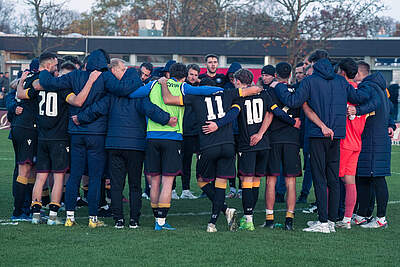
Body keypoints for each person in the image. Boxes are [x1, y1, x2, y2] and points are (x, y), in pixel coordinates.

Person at [38, 49, 142, 228]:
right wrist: (137, 80)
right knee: (95, 177)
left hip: (76, 134)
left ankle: (70, 216)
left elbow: (51, 83)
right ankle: (93, 218)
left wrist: (44, 71)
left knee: (75, 176)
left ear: (86, 63)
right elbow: (121, 90)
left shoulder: (74, 75)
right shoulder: (106, 77)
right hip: (97, 134)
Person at [271, 50, 372, 233]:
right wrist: (370, 86)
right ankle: (332, 221)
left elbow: (293, 101)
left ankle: (323, 222)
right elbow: (359, 98)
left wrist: (278, 86)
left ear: (314, 66)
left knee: (320, 178)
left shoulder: (310, 81)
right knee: (333, 178)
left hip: (318, 135)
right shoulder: (341, 81)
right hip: (337, 135)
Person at [73, 58, 173, 229]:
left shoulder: (111, 96)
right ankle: (134, 220)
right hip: (135, 146)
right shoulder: (139, 94)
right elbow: (151, 110)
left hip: (114, 144)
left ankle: (118, 219)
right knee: (135, 184)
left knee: (117, 185)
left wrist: (80, 118)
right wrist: (167, 119)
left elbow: (97, 108)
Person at [128, 63, 224, 231]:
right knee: (167, 181)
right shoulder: (183, 87)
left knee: (155, 181)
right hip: (172, 137)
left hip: (151, 136)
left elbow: (133, 94)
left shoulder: (154, 84)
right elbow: (203, 91)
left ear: (169, 73)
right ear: (185, 76)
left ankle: (156, 219)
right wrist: (224, 91)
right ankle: (161, 222)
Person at [17, 53, 101, 225]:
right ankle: (53, 216)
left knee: (41, 177)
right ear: (50, 67)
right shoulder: (63, 88)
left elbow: (21, 94)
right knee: (58, 177)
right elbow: (77, 101)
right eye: (56, 65)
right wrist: (90, 82)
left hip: (42, 138)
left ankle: (35, 215)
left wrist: (21, 80)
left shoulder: (38, 85)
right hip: (60, 139)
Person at [351, 61, 396, 229]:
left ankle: (381, 219)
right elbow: (388, 109)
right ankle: (363, 214)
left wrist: (357, 110)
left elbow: (374, 104)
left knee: (377, 178)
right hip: (373, 138)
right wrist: (390, 124)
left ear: (358, 73)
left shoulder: (369, 87)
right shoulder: (380, 88)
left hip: (373, 140)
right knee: (364, 178)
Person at [263, 62, 302, 230]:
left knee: (271, 181)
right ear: (290, 74)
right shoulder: (298, 92)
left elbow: (270, 113)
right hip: (293, 140)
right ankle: (289, 220)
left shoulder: (271, 91)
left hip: (274, 139)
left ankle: (270, 219)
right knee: (290, 182)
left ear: (276, 74)